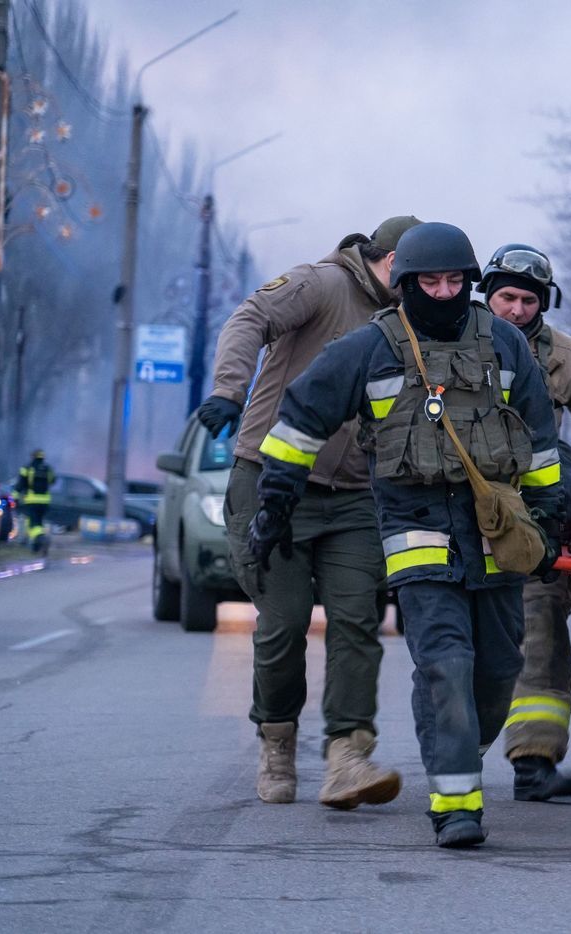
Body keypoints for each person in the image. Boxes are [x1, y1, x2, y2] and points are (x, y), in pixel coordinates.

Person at [246, 222, 566, 848]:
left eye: (454, 281)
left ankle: (460, 738)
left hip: (497, 532)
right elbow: (299, 419)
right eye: (429, 282)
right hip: (414, 531)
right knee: (446, 664)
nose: (443, 293)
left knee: (500, 668)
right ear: (405, 284)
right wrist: (276, 502)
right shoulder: (370, 347)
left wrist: (549, 519)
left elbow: (540, 440)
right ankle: (455, 805)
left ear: (469, 283)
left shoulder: (505, 344)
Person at [198, 216, 421, 808]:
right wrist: (228, 389)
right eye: (421, 272)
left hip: (354, 495)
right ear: (393, 259)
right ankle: (277, 741)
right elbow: (250, 318)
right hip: (271, 482)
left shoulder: (412, 321)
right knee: (285, 622)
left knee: (357, 620)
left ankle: (348, 754)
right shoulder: (320, 284)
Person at [479, 244, 571, 802]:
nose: (515, 309)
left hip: (534, 519)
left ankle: (533, 763)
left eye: (527, 299)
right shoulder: (444, 344)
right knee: (459, 645)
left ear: (544, 302)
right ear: (486, 293)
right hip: (453, 518)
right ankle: (455, 762)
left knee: (540, 638)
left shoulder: (569, 357)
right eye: (506, 297)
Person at [15, 449, 55, 554]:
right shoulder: (48, 469)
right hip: (45, 502)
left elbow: (20, 484)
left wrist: (15, 497)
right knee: (39, 523)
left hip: (31, 501)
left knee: (32, 525)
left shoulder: (27, 468)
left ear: (33, 457)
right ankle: (36, 547)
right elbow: (53, 481)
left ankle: (42, 539)